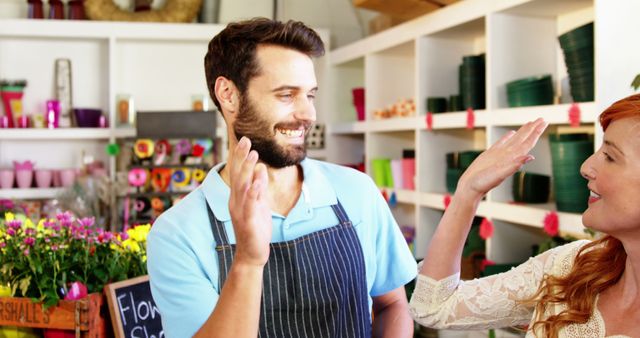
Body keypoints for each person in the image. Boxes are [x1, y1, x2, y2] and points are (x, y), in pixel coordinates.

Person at [147, 18, 417, 338]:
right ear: (228, 95)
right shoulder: (178, 233)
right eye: (287, 95)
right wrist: (248, 260)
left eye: (310, 95)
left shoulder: (355, 191)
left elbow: (392, 305)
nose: (309, 114)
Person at [409, 93, 640, 337]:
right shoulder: (571, 267)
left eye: (610, 157)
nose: (585, 167)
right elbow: (433, 306)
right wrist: (468, 191)